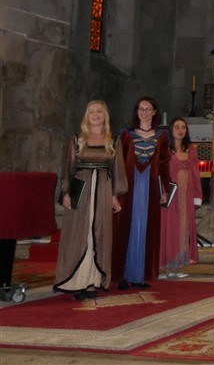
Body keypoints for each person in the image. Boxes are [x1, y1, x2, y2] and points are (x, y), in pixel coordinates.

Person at [54, 101, 127, 300]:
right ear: (87, 116)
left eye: (99, 111)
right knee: (80, 234)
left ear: (105, 116)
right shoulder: (76, 139)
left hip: (103, 188)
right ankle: (77, 282)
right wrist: (66, 192)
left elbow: (118, 169)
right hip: (82, 188)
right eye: (92, 112)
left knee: (99, 234)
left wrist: (115, 195)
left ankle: (93, 281)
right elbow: (68, 167)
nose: (95, 115)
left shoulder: (113, 139)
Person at [112, 96, 171, 289]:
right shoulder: (126, 134)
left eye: (148, 109)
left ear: (154, 112)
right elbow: (118, 164)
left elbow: (164, 165)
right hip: (128, 188)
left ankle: (139, 276)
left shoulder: (162, 136)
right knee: (125, 228)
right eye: (141, 109)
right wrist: (115, 191)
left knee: (145, 228)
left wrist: (165, 190)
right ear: (136, 112)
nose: (144, 112)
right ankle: (121, 275)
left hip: (150, 189)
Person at [158, 118, 202, 279]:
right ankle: (163, 266)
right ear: (171, 129)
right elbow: (159, 171)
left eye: (183, 127)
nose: (180, 130)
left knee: (183, 228)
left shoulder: (191, 149)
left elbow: (195, 173)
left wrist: (197, 195)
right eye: (177, 127)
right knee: (168, 228)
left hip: (186, 195)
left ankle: (176, 266)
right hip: (170, 194)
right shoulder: (164, 149)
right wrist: (161, 191)